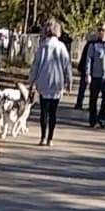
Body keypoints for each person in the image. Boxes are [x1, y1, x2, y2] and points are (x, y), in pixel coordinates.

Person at [28, 18, 72, 146]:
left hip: (43, 81)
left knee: (44, 111)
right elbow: (67, 65)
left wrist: (31, 82)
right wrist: (69, 81)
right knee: (53, 112)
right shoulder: (61, 47)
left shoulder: (42, 47)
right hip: (57, 82)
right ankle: (50, 139)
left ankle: (42, 137)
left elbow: (35, 65)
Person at [75, 29, 96, 110]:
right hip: (92, 70)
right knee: (92, 89)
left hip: (85, 69)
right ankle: (90, 105)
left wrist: (80, 67)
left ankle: (79, 103)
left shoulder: (88, 46)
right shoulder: (94, 46)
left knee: (82, 88)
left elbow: (83, 58)